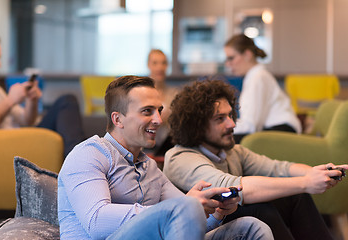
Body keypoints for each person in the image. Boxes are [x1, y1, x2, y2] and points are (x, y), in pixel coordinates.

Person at [58, 75, 273, 240]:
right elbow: (96, 221)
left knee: (252, 227)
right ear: (118, 119)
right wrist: (181, 208)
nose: (159, 120)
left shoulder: (148, 166)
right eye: (147, 111)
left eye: (159, 111)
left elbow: (186, 225)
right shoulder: (89, 154)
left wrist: (215, 211)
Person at [164, 79, 347, 240]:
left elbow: (277, 168)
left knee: (295, 196)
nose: (232, 124)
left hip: (229, 219)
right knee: (259, 210)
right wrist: (305, 182)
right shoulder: (180, 158)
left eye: (230, 115)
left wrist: (318, 172)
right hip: (203, 231)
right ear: (196, 126)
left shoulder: (232, 151)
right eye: (220, 119)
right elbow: (235, 187)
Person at [0, 33, 85, 157]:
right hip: (12, 143)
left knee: (66, 103)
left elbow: (26, 121)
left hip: (24, 135)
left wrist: (32, 100)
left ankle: (80, 160)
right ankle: (80, 164)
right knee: (67, 102)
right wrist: (10, 100)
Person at [224, 34, 301, 143]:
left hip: (282, 131)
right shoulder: (254, 77)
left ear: (247, 54)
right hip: (275, 129)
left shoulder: (258, 77)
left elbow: (251, 125)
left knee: (223, 141)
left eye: (231, 58)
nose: (228, 64)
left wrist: (221, 127)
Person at [146, 49, 177, 156]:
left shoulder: (174, 93)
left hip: (167, 147)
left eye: (163, 63)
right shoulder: (141, 93)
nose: (160, 67)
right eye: (155, 63)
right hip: (145, 147)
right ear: (148, 65)